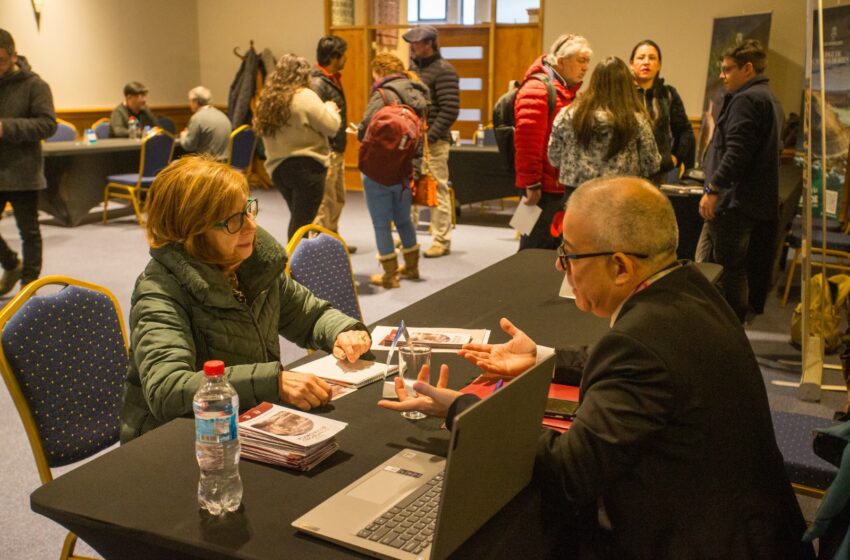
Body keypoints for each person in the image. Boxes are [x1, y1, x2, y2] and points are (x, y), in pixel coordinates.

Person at [380, 176, 810, 559]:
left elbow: (569, 473)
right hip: (755, 527)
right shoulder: (688, 287)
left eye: (568, 253)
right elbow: (618, 362)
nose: (558, 265)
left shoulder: (638, 343)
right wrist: (541, 357)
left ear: (620, 266)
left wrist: (465, 408)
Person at [120, 157, 370, 442]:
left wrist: (342, 331)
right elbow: (167, 388)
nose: (250, 226)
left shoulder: (252, 265)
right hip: (175, 441)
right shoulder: (159, 289)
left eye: (248, 211)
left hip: (245, 419)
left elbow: (308, 315)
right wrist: (272, 382)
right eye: (233, 220)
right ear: (191, 230)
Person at [697, 39, 783, 323]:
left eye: (727, 69)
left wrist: (713, 188)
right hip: (743, 201)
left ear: (748, 68)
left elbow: (736, 153)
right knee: (713, 261)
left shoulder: (748, 99)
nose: (722, 76)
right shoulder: (768, 97)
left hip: (733, 202)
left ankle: (730, 325)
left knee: (727, 268)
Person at [357, 53, 429, 289]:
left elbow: (365, 127)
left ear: (379, 71)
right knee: (404, 220)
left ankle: (390, 275)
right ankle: (412, 266)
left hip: (378, 170)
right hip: (405, 168)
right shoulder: (417, 92)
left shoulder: (383, 94)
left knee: (381, 223)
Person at [514, 34, 591, 251]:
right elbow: (527, 143)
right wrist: (531, 185)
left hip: (554, 187)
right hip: (539, 189)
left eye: (587, 61)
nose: (585, 67)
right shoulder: (537, 89)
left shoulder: (566, 90)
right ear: (561, 61)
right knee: (531, 247)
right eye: (580, 60)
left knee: (546, 245)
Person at [255, 54, 341, 240]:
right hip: (307, 168)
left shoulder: (267, 99)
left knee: (298, 218)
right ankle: (293, 265)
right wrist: (330, 109)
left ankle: (300, 262)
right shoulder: (304, 96)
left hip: (278, 169)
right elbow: (331, 126)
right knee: (301, 224)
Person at [547, 57, 660, 192]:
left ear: (594, 81)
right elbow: (651, 163)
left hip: (577, 195)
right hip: (621, 195)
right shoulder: (637, 121)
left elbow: (554, 157)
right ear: (626, 86)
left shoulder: (567, 115)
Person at [0, 28, 56, 296]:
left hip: (23, 170)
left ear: (13, 55)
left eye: (0, 60)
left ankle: (28, 287)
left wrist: (5, 128)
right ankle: (11, 264)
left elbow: (47, 125)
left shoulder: (35, 85)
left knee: (28, 232)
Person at [403, 25, 459, 259]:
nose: (412, 48)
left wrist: (430, 137)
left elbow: (450, 110)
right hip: (414, 140)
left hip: (433, 142)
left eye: (416, 44)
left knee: (439, 189)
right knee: (409, 188)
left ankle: (441, 239)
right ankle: (408, 236)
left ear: (430, 44)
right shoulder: (413, 69)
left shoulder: (444, 70)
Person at [629, 39, 695, 182]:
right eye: (641, 58)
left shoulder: (668, 94)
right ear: (631, 64)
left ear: (659, 65)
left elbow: (685, 131)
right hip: (625, 174)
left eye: (652, 58)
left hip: (659, 174)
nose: (646, 62)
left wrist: (675, 158)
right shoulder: (621, 93)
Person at [310, 36, 354, 250]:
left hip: (337, 150)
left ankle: (332, 242)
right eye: (344, 53)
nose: (346, 57)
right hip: (326, 151)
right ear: (334, 56)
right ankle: (317, 249)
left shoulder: (331, 78)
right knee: (323, 202)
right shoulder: (318, 82)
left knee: (337, 197)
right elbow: (318, 120)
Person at [178, 86, 232, 160]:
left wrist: (183, 136)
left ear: (195, 102)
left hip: (207, 165)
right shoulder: (223, 115)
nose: (190, 104)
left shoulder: (197, 118)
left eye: (190, 101)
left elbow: (189, 146)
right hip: (225, 164)